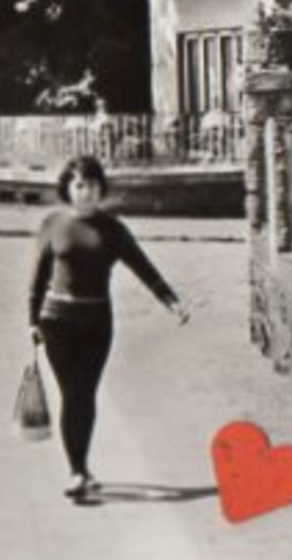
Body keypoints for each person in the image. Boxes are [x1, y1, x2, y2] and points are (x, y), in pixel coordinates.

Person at [27, 155, 189, 500]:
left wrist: (171, 301)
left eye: (92, 185)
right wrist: (31, 321)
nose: (86, 192)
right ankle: (77, 472)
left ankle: (80, 467)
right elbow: (38, 278)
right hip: (56, 322)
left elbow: (143, 268)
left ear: (101, 189)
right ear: (68, 189)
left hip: (97, 322)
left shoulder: (113, 230)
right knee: (73, 394)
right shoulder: (53, 224)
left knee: (85, 394)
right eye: (79, 185)